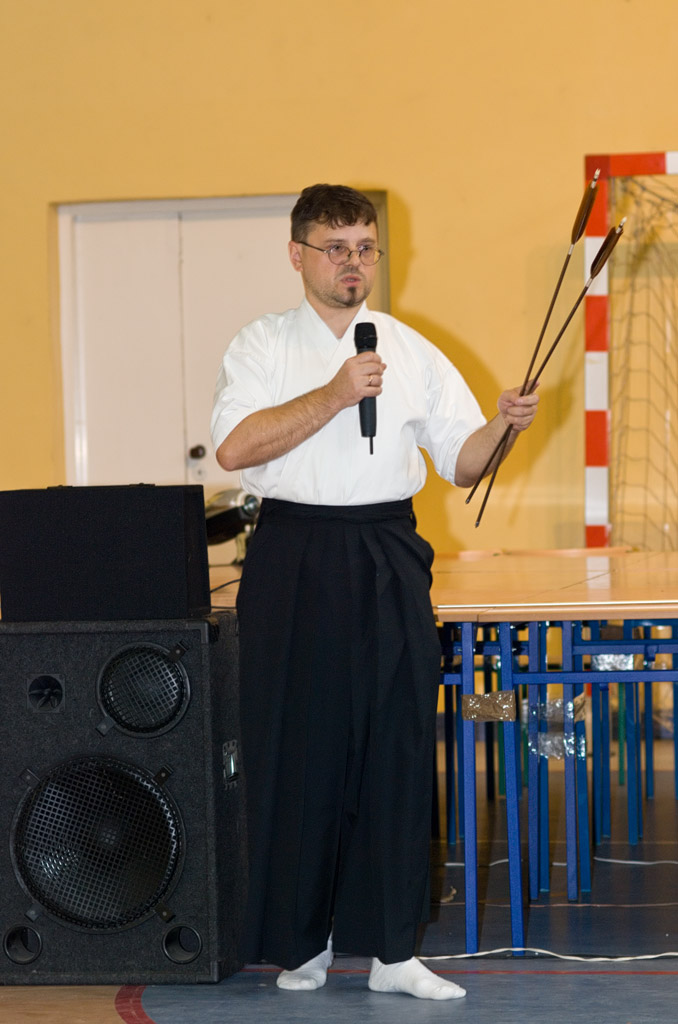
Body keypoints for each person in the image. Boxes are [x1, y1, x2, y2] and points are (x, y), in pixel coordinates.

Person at [210, 184, 538, 1000]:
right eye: (336, 247)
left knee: (393, 748)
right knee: (298, 749)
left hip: (388, 549)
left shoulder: (412, 349)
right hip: (293, 553)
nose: (354, 263)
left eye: (365, 247)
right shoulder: (260, 345)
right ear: (298, 254)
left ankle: (394, 952)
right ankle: (304, 942)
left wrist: (504, 427)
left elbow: (461, 463)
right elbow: (235, 446)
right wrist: (337, 391)